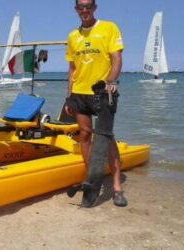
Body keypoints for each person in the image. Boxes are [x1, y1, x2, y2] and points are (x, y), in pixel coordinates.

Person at [65, 0, 127, 207]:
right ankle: (91, 179)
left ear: (94, 8)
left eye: (88, 6)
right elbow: (72, 69)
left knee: (106, 138)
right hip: (79, 93)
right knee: (84, 135)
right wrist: (69, 96)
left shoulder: (109, 27)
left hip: (102, 91)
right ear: (76, 10)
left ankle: (117, 187)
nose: (85, 10)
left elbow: (117, 58)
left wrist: (111, 81)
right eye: (81, 7)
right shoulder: (73, 36)